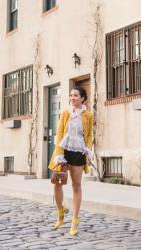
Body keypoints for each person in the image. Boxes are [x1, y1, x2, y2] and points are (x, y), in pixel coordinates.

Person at [48, 86, 93, 236]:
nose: (72, 98)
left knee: (76, 185)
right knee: (57, 183)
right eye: (70, 95)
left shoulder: (88, 115)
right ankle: (61, 213)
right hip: (63, 150)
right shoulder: (65, 113)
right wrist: (58, 153)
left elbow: (89, 135)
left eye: (75, 95)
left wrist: (88, 148)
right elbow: (60, 132)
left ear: (82, 98)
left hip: (78, 152)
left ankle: (74, 220)